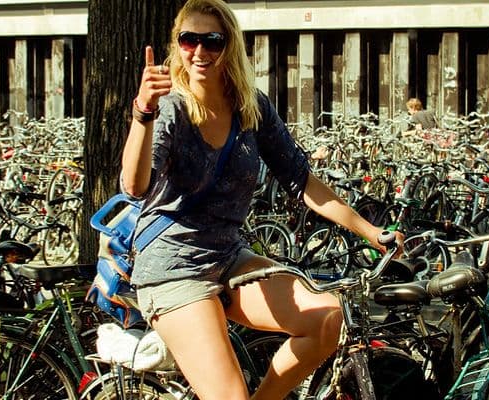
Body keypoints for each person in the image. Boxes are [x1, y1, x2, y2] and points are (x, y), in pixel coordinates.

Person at [121, 1, 402, 399]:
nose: (199, 52)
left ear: (229, 45)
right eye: (189, 40)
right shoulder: (170, 110)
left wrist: (370, 231)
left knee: (328, 317)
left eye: (212, 41)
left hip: (227, 256)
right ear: (178, 44)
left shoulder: (250, 107)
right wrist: (142, 113)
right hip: (173, 267)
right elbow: (134, 186)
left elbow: (301, 179)